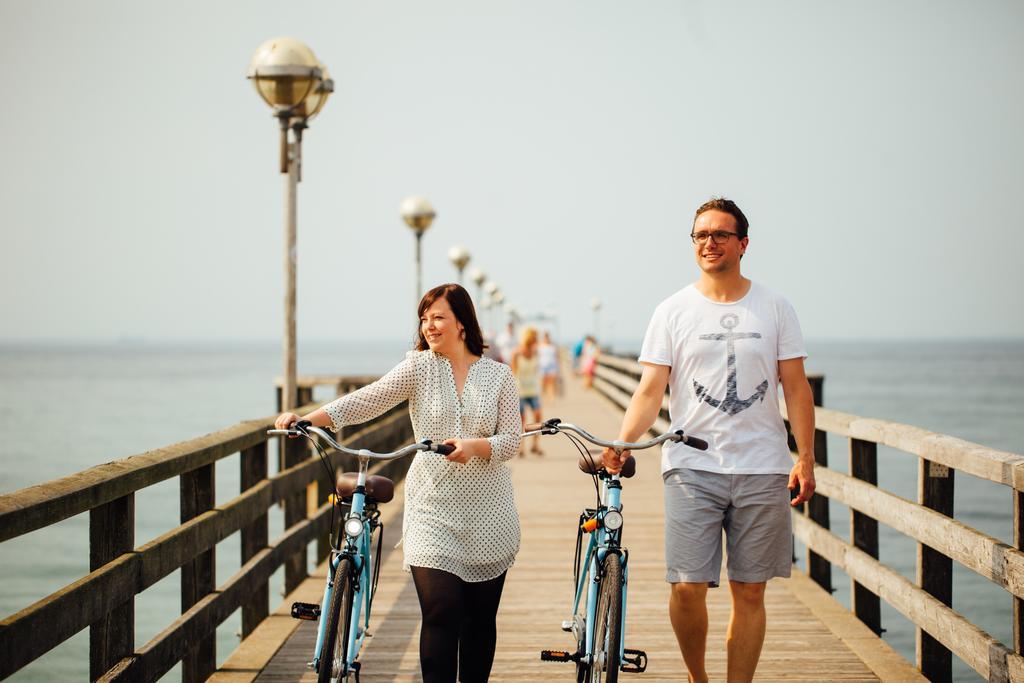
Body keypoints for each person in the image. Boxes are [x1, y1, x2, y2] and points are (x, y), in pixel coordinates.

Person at [602, 198, 816, 683]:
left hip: (762, 467)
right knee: (686, 587)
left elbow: (796, 388)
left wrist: (805, 458)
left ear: (743, 243)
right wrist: (623, 441)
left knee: (750, 591)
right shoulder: (673, 311)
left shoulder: (775, 308)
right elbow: (650, 389)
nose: (709, 243)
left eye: (720, 234)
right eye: (700, 235)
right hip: (691, 467)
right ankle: (699, 679)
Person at [275, 283, 521, 683]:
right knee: (440, 610)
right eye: (424, 319)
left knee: (478, 621)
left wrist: (476, 446)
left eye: (438, 317)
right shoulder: (419, 367)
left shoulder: (499, 377)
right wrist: (308, 418)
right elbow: (368, 398)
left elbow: (511, 439)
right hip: (431, 510)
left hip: (489, 515)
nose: (428, 326)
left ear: (462, 323)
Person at [511, 326, 543, 456]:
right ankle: (521, 447)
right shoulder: (516, 353)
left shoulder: (536, 352)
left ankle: (535, 445)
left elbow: (536, 370)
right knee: (521, 420)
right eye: (535, 337)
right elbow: (512, 372)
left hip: (533, 390)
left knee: (538, 417)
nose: (537, 339)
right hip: (521, 391)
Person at [537, 330, 560, 403]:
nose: (546, 338)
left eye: (547, 336)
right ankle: (543, 398)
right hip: (542, 366)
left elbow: (557, 357)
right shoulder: (540, 345)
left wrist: (558, 368)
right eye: (545, 336)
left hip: (552, 366)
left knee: (552, 383)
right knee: (542, 383)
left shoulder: (553, 345)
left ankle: (552, 398)